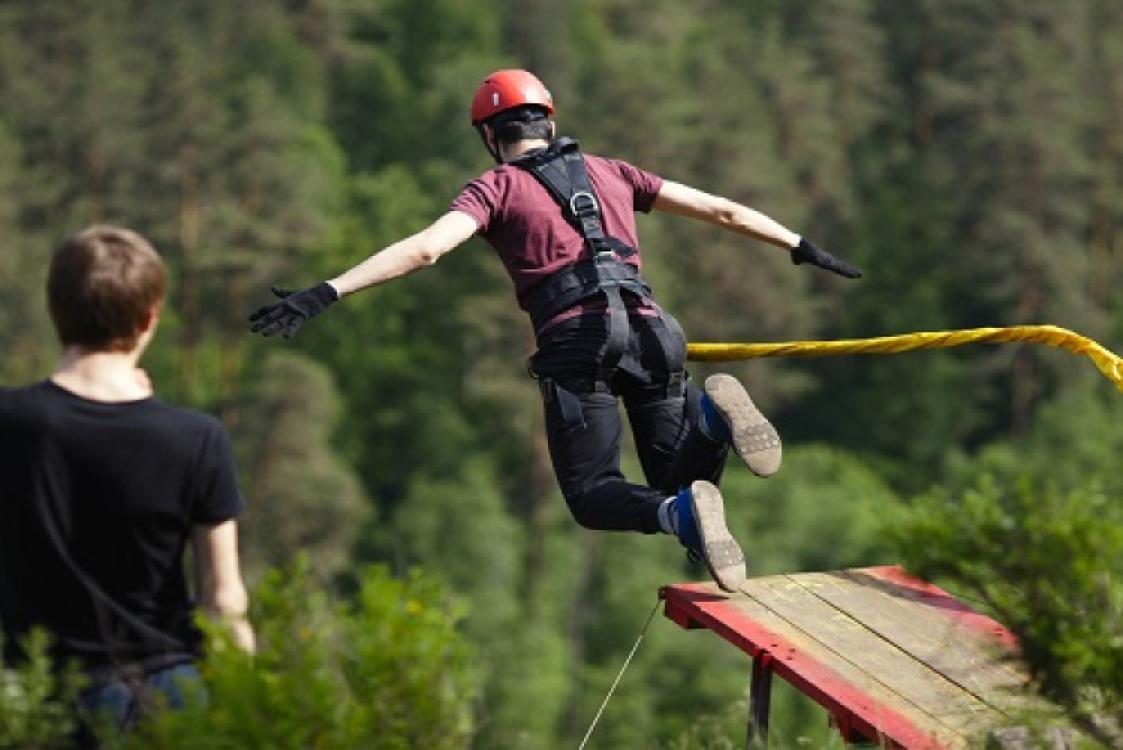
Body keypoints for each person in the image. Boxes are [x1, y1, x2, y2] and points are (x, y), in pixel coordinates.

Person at [249, 70, 861, 592]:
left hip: (579, 341)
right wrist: (798, 243)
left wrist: (327, 290)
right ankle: (710, 423)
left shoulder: (495, 187)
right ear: (548, 121)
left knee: (594, 494)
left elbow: (428, 249)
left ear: (490, 135)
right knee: (681, 488)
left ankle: (690, 481)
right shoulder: (613, 172)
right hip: (655, 331)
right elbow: (721, 209)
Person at [0, 226, 255, 743]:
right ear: (148, 319)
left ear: (55, 310)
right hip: (165, 694)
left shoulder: (10, 421)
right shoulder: (196, 438)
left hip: (42, 691)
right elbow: (223, 601)